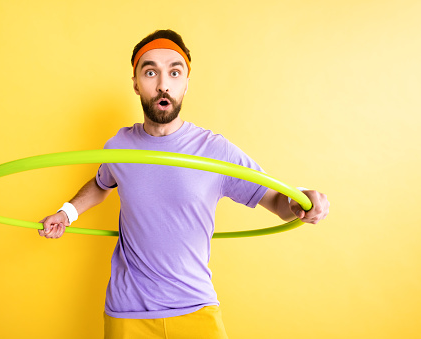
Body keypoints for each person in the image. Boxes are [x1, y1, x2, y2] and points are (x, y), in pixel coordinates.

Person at [39, 29, 330, 339]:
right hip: (127, 311)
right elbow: (101, 185)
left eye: (174, 72)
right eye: (150, 72)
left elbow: (274, 200)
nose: (163, 84)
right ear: (136, 84)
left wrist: (300, 202)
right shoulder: (119, 147)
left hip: (196, 309)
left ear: (186, 83)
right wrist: (66, 213)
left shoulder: (214, 151)